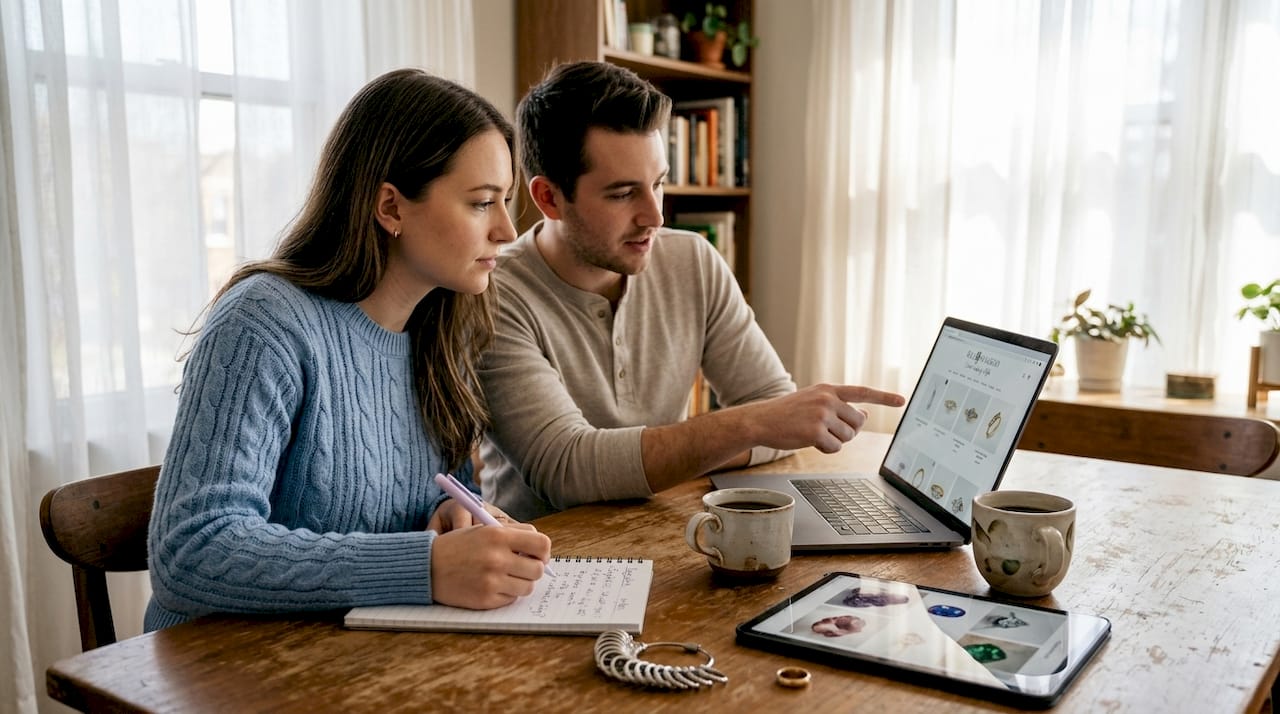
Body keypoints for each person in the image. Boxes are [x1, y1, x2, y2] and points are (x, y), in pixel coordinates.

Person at [145, 69, 551, 631]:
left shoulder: (440, 328)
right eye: (482, 203)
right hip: (215, 672)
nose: (508, 230)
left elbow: (437, 499)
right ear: (391, 207)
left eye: (505, 200)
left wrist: (450, 517)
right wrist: (423, 566)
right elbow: (192, 550)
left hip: (351, 655)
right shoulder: (264, 323)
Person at [478, 61, 905, 521]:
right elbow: (568, 471)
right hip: (547, 566)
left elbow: (781, 420)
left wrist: (723, 437)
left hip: (671, 530)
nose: (655, 216)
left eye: (658, 184)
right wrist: (751, 424)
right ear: (549, 198)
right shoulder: (491, 294)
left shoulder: (693, 261)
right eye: (623, 194)